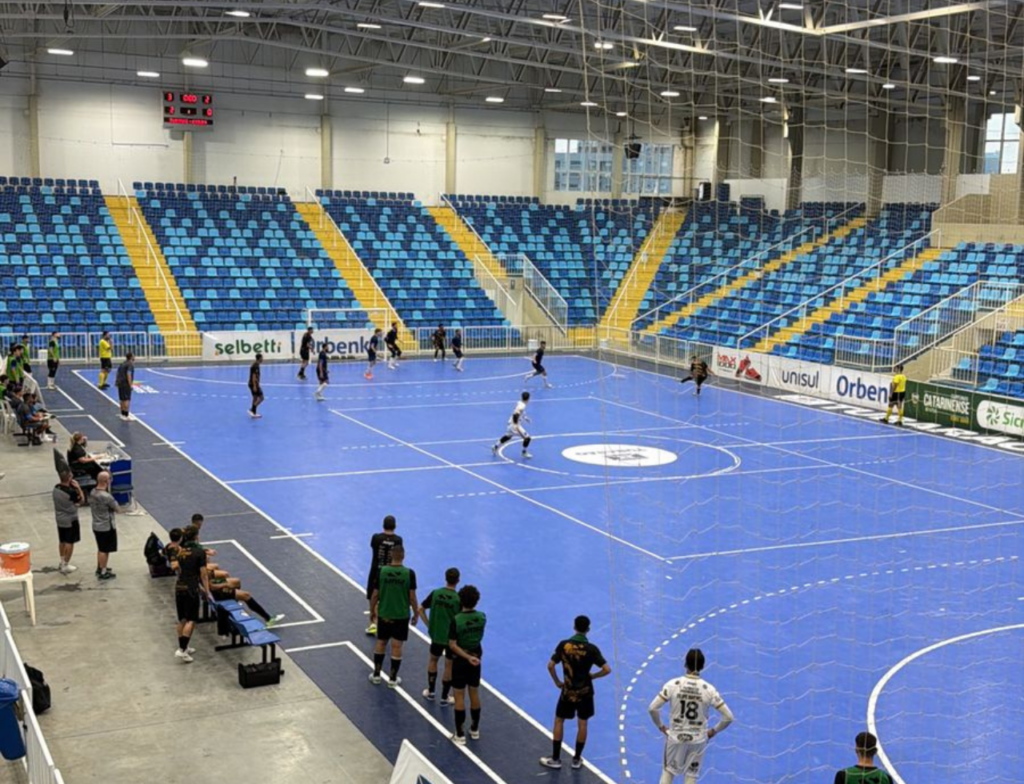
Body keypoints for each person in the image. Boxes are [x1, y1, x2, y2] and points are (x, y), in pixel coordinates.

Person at [648, 648, 735, 784]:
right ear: (702, 666)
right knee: (691, 775)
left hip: (676, 736)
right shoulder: (709, 689)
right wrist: (713, 731)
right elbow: (728, 717)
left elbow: (652, 708)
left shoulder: (673, 684)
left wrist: (661, 727)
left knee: (668, 772)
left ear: (685, 664)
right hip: (698, 739)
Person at [539, 615, 612, 770]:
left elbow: (551, 665)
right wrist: (593, 676)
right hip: (585, 692)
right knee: (583, 723)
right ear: (588, 629)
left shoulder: (564, 645)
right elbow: (607, 669)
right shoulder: (592, 649)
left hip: (567, 691)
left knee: (559, 720)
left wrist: (557, 682)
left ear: (574, 627)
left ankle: (556, 759)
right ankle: (577, 759)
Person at [369, 545, 418, 688]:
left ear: (391, 555)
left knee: (381, 642)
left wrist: (372, 610)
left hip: (384, 614)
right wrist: (415, 613)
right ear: (403, 556)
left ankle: (377, 675)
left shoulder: (382, 571)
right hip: (401, 616)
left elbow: (375, 594)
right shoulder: (409, 573)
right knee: (397, 646)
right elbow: (412, 597)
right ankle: (392, 679)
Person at [448, 585, 486, 745]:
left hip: (461, 661)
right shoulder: (482, 617)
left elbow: (452, 645)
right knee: (474, 693)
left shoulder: (456, 620)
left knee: (459, 696)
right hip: (476, 657)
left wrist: (466, 656)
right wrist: (472, 657)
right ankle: (475, 729)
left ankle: (460, 733)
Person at [419, 567, 461, 704]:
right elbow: (461, 620)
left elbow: (421, 609)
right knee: (448, 666)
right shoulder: (457, 599)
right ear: (458, 580)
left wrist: (429, 625)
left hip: (436, 636)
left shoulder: (436, 593)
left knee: (433, 661)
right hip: (451, 639)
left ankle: (431, 691)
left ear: (446, 578)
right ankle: (444, 697)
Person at [174, 525, 210, 663]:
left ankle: (184, 646)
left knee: (182, 618)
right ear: (196, 536)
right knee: (191, 619)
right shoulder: (199, 552)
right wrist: (206, 591)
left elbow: (180, 570)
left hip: (179, 587)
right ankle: (182, 650)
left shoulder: (181, 552)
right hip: (191, 589)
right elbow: (204, 574)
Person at [366, 515, 403, 635]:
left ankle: (373, 623)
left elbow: (373, 547)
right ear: (395, 526)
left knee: (373, 598)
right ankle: (387, 624)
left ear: (383, 525)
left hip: (376, 573)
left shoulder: (376, 538)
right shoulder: (398, 540)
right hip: (391, 574)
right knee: (387, 599)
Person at [89, 470, 125, 580]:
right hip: (106, 526)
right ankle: (103, 572)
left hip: (96, 524)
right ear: (106, 481)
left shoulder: (93, 492)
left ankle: (100, 567)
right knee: (104, 550)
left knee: (101, 548)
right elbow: (118, 509)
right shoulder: (107, 497)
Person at [53, 470, 84, 575]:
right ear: (70, 478)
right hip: (71, 519)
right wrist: (78, 488)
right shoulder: (71, 492)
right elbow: (81, 501)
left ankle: (62, 561)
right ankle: (66, 564)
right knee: (70, 542)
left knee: (62, 540)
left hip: (59, 518)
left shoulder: (56, 487)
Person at [492, 391, 533, 459]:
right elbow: (516, 414)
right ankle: (524, 452)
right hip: (514, 425)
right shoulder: (522, 406)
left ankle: (495, 446)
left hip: (510, 423)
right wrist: (516, 425)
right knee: (527, 438)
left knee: (508, 436)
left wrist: (525, 417)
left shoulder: (520, 402)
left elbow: (519, 412)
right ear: (528, 399)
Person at [115, 352, 135, 420]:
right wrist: (130, 385)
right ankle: (126, 415)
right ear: (131, 357)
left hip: (120, 383)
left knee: (122, 399)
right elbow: (128, 374)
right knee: (127, 399)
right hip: (125, 383)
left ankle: (122, 414)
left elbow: (118, 372)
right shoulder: (130, 365)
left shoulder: (122, 363)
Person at [248, 352, 264, 418]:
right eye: (262, 358)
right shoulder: (255, 366)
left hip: (251, 383)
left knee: (255, 397)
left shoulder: (255, 364)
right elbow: (254, 376)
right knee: (261, 398)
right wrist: (255, 386)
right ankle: (253, 410)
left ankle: (252, 410)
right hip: (254, 384)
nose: (263, 359)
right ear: (259, 358)